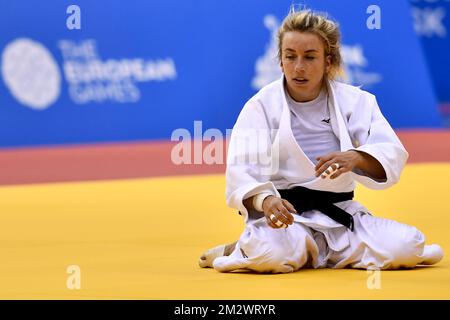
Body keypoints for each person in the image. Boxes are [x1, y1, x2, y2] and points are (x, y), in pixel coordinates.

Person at [199, 9, 444, 273]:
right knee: (269, 254)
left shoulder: (356, 102)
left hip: (341, 215)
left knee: (406, 246)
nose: (299, 67)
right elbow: (242, 170)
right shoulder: (260, 106)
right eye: (290, 57)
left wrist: (357, 157)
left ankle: (309, 250)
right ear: (280, 61)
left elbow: (391, 152)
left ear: (329, 62)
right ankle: (244, 248)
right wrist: (266, 201)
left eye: (310, 57)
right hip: (286, 218)